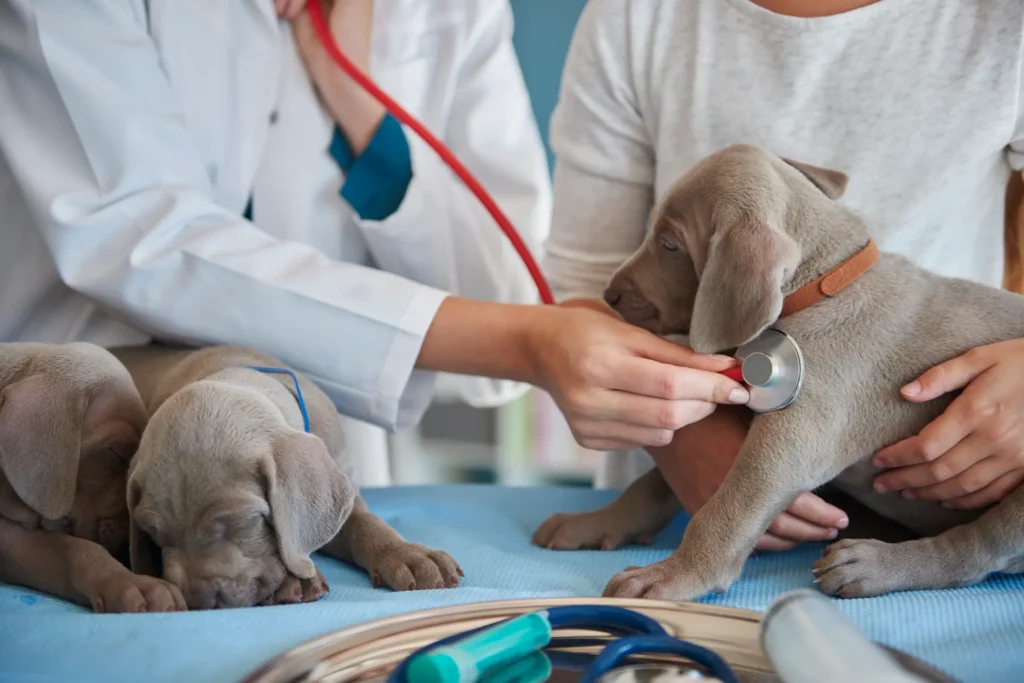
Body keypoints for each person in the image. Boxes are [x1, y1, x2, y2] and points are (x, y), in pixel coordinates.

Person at [0, 0, 750, 486]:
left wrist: (360, 110)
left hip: (315, 484)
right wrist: (523, 341)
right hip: (80, 449)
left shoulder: (447, 13)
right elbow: (140, 236)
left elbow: (505, 302)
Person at [545, 0, 1024, 550]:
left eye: (671, 243)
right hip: (691, 469)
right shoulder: (638, 15)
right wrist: (685, 434)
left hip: (958, 505)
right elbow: (588, 287)